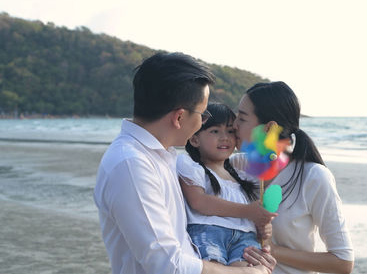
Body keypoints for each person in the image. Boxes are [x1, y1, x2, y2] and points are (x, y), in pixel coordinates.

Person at [93, 52, 275, 274]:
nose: (203, 120)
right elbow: (167, 264)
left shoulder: (162, 156)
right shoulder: (132, 165)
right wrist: (245, 273)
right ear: (179, 117)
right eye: (203, 113)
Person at [231, 81, 354, 274]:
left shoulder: (314, 177)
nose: (233, 125)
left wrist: (272, 249)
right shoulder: (234, 167)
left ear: (270, 129)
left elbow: (342, 262)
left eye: (242, 119)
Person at [177, 103, 277, 267]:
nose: (225, 137)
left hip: (246, 237)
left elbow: (254, 220)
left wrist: (263, 227)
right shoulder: (190, 165)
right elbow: (199, 202)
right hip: (209, 232)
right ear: (195, 139)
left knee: (250, 270)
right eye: (215, 131)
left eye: (230, 131)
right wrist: (248, 211)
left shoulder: (241, 177)